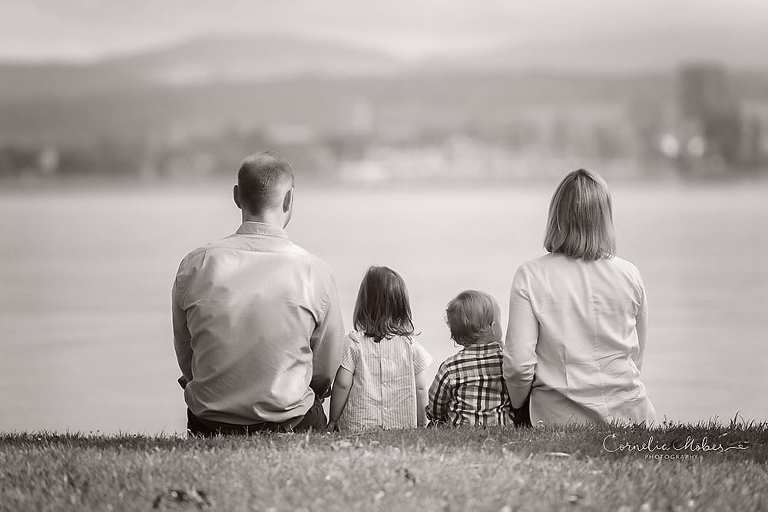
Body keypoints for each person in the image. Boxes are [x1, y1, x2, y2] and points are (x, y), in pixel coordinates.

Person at [172, 152, 345, 436]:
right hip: (290, 419)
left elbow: (186, 351)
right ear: (289, 200)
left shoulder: (196, 264)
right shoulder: (315, 271)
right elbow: (325, 369)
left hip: (210, 420)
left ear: (236, 196)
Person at [503, 169, 656, 426]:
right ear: (605, 218)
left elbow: (519, 365)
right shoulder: (630, 274)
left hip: (557, 417)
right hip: (631, 413)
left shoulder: (531, 275)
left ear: (557, 215)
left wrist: (518, 406)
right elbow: (636, 356)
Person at [328, 266, 432, 431]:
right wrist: (421, 423)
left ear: (364, 304)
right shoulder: (411, 346)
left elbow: (342, 384)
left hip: (358, 427)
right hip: (401, 427)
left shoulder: (353, 343)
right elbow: (420, 388)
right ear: (401, 307)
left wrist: (333, 420)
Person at [427, 290, 514, 427]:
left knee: (435, 424)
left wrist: (436, 416)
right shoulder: (506, 361)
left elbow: (436, 404)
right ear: (493, 327)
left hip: (461, 429)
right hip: (502, 427)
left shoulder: (450, 367)